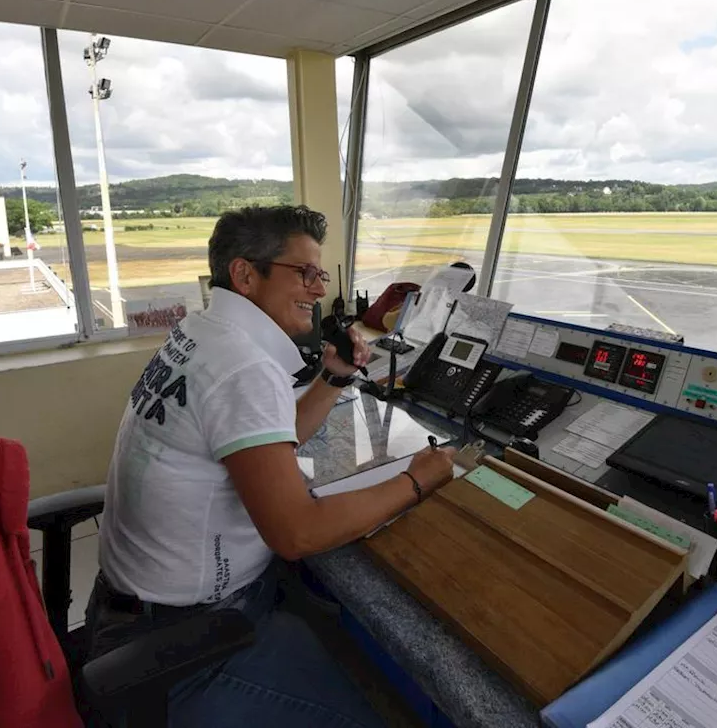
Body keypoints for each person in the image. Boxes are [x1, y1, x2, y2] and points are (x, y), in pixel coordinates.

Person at [86, 205, 457, 727]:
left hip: (131, 608)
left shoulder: (204, 332)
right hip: (182, 645)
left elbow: (276, 441)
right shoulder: (243, 367)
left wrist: (332, 378)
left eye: (320, 274)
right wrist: (418, 479)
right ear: (244, 274)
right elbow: (296, 533)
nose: (317, 288)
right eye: (304, 273)